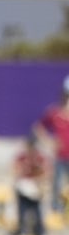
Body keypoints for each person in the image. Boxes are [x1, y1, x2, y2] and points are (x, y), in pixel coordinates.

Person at [39, 76, 69, 217]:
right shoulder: (54, 113)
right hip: (60, 156)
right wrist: (50, 142)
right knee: (57, 184)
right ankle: (56, 209)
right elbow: (39, 128)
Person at [12, 134, 47, 235]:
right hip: (24, 186)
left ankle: (39, 232)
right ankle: (21, 231)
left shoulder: (39, 157)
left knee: (37, 212)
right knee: (22, 211)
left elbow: (45, 171)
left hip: (35, 187)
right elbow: (15, 169)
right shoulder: (22, 157)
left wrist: (39, 180)